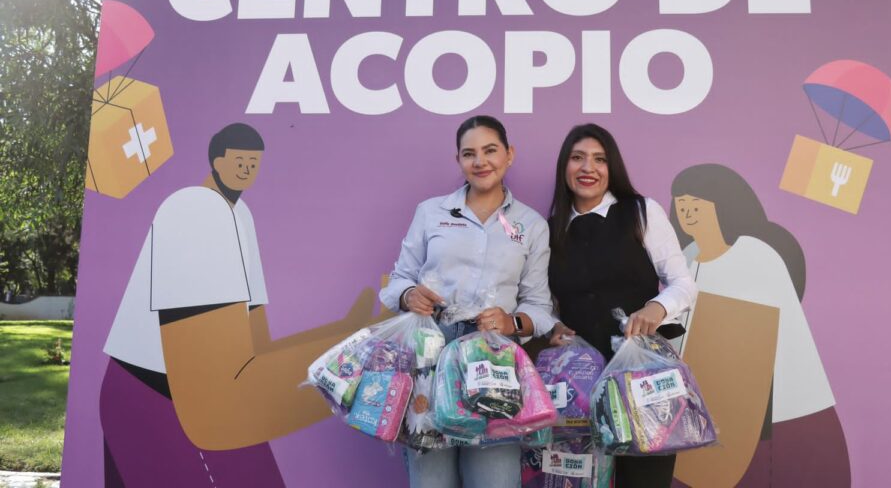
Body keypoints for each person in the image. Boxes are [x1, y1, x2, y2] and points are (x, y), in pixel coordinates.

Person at [100, 123, 381, 487]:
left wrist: (349, 338)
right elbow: (223, 389)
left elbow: (254, 346)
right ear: (217, 162)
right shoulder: (194, 209)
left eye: (253, 162)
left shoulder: (239, 215)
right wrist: (352, 362)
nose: (247, 169)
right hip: (156, 395)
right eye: (239, 161)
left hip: (202, 399)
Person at [380, 115, 555, 488]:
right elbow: (398, 282)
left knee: (496, 480)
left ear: (509, 154)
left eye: (490, 150)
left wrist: (511, 322)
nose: (480, 161)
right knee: (431, 481)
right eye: (469, 153)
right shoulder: (431, 212)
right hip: (430, 354)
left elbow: (540, 308)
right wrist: (409, 295)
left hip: (493, 362)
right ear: (458, 160)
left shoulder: (532, 224)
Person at [668, 163, 849, 487]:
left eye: (697, 204)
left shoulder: (755, 255)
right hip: (704, 410)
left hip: (773, 414)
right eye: (682, 206)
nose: (688, 213)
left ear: (720, 205)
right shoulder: (687, 259)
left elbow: (756, 338)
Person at [546, 123, 697, 488]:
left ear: (611, 167)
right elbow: (544, 303)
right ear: (564, 167)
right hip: (577, 384)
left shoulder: (641, 212)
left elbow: (684, 283)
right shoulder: (550, 230)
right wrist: (551, 326)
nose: (588, 168)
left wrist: (656, 308)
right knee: (574, 480)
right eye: (577, 158)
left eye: (599, 159)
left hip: (643, 376)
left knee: (645, 481)